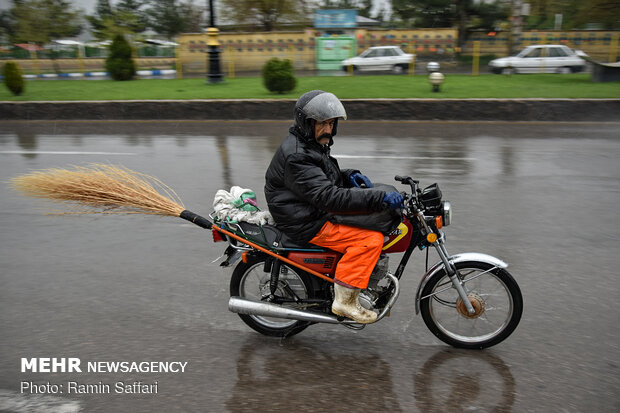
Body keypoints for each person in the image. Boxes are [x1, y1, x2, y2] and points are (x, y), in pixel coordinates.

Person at [264, 90, 403, 324]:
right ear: (306, 123)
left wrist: (349, 176)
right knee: (369, 239)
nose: (327, 129)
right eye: (321, 123)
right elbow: (328, 197)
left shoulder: (310, 143)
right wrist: (378, 198)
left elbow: (322, 178)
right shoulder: (297, 155)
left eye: (330, 123)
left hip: (309, 208)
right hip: (306, 220)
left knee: (373, 213)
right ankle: (345, 302)